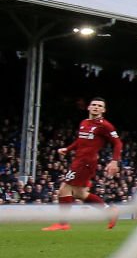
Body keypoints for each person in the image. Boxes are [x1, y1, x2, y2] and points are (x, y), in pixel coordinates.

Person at [43, 97, 122, 231]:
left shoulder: (105, 125)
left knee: (64, 190)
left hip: (86, 162)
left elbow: (118, 143)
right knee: (80, 194)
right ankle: (109, 212)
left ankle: (63, 223)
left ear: (104, 110)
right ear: (88, 107)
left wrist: (114, 161)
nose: (96, 107)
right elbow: (80, 141)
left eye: (99, 106)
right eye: (94, 105)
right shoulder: (84, 122)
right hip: (79, 160)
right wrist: (67, 149)